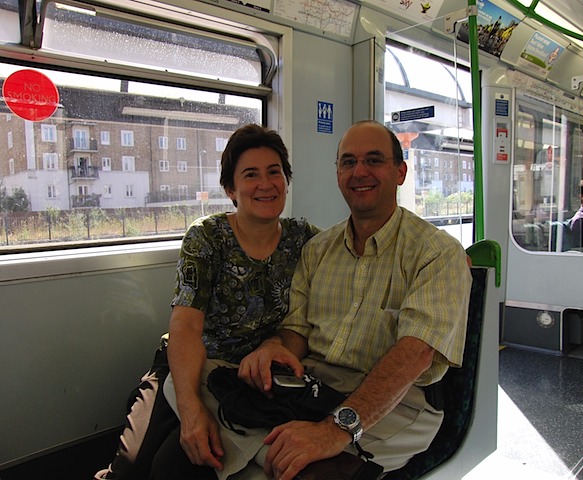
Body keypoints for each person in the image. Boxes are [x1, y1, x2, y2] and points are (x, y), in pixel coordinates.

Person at [158, 119, 471, 480]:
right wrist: (276, 347)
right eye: (348, 162)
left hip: (398, 400)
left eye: (374, 160)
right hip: (314, 384)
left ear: (400, 172)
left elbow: (414, 354)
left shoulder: (436, 253)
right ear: (337, 174)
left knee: (269, 471)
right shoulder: (319, 248)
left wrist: (334, 430)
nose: (359, 172)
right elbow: (298, 330)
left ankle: (277, 458)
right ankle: (275, 455)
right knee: (184, 383)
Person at [94, 123, 319, 480]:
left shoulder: (304, 239)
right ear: (231, 189)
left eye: (274, 172)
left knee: (185, 465)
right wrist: (191, 408)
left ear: (286, 181)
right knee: (133, 466)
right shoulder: (208, 237)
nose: (266, 183)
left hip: (249, 377)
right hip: (188, 364)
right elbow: (185, 327)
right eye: (250, 174)